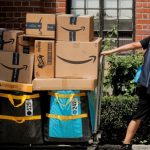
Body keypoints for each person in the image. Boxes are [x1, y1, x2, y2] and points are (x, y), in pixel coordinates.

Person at [101, 36, 150, 150]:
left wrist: (111, 51)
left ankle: (126, 144)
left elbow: (133, 45)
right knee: (138, 115)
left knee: (138, 116)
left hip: (145, 85)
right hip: (146, 86)